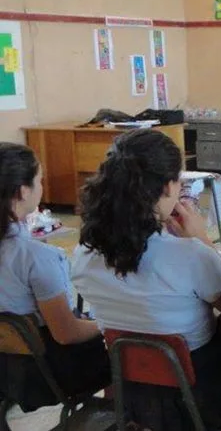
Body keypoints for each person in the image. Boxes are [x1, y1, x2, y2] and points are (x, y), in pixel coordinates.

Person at [71, 129, 221, 431]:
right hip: (200, 396)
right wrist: (203, 240)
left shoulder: (83, 255)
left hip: (131, 393)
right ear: (167, 187)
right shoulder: (190, 255)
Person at [0, 143, 110, 413]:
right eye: (39, 180)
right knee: (118, 348)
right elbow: (66, 333)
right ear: (22, 191)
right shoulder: (37, 257)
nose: (42, 185)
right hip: (41, 376)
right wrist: (107, 325)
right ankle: (116, 415)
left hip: (6, 367)